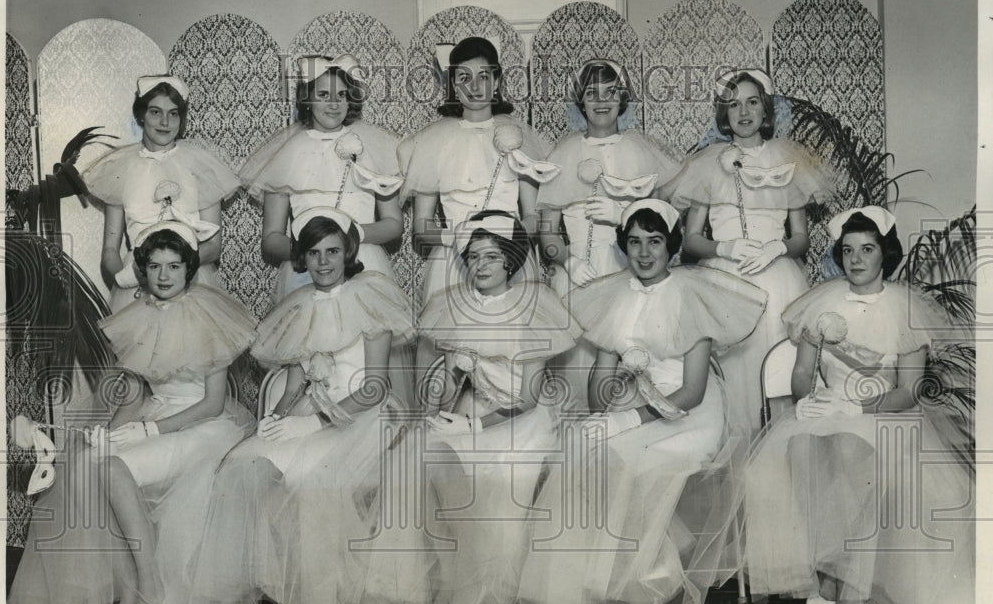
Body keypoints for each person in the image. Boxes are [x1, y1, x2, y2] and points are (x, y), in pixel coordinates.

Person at [517, 199, 766, 604]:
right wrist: (605, 411)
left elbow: (691, 392)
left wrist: (626, 422)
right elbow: (601, 382)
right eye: (634, 242)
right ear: (623, 247)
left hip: (690, 414)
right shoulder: (614, 295)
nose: (645, 253)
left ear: (671, 246)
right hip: (634, 405)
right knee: (583, 451)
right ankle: (603, 578)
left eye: (655, 242)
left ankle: (655, 582)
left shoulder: (693, 296)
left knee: (639, 464)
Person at [176, 208, 428, 604]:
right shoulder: (299, 307)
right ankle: (248, 583)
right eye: (313, 253)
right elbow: (296, 381)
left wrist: (316, 424)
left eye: (332, 251)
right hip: (313, 412)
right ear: (302, 259)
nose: (324, 262)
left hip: (364, 416)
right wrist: (275, 419)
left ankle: (324, 593)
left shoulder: (371, 301)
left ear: (348, 252)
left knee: (314, 473)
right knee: (244, 464)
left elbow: (375, 388)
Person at [7, 221, 256, 604]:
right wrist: (110, 429)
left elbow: (211, 403)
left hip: (206, 426)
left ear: (189, 268)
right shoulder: (137, 316)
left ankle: (151, 590)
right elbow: (135, 389)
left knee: (111, 470)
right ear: (142, 269)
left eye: (174, 266)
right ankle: (131, 592)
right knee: (92, 462)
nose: (163, 276)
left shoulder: (210, 316)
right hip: (156, 417)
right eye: (155, 266)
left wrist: (150, 432)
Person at [744, 207, 974, 604]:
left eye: (867, 249)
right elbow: (801, 373)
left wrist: (857, 407)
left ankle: (844, 581)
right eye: (847, 250)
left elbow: (910, 392)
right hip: (830, 408)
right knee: (800, 448)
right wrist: (808, 399)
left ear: (885, 253)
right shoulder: (823, 304)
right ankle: (831, 570)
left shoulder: (905, 309)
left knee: (850, 451)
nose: (856, 258)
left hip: (885, 415)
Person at [413, 211, 579, 604]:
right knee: (428, 464)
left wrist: (475, 428)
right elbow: (452, 390)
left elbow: (527, 400)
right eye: (473, 257)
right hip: (477, 409)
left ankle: (481, 596)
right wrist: (448, 387)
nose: (480, 266)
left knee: (492, 489)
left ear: (509, 260)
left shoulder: (535, 307)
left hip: (521, 421)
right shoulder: (458, 307)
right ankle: (450, 586)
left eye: (490, 256)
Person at [671, 69, 832, 434]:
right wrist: (726, 246)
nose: (743, 112)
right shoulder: (708, 163)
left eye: (752, 102)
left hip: (778, 280)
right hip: (724, 278)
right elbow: (691, 240)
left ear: (766, 110)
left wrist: (777, 247)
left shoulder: (788, 158)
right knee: (732, 374)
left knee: (775, 370)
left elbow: (801, 238)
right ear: (723, 115)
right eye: (733, 104)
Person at [536, 58, 681, 409]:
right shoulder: (563, 153)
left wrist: (622, 216)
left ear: (624, 98)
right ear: (580, 100)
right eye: (592, 92)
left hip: (626, 270)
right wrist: (567, 261)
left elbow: (665, 226)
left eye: (611, 92)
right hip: (577, 277)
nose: (601, 100)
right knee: (580, 362)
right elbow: (547, 232)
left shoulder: (641, 151)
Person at [398, 36, 556, 306]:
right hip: (454, 262)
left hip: (509, 258)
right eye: (464, 77)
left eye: (483, 77)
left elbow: (532, 216)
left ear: (496, 82)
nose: (474, 86)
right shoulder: (432, 142)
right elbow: (421, 227)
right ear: (453, 85)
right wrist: (458, 237)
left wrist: (507, 239)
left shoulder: (522, 138)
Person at [239, 54, 404, 300]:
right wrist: (309, 250)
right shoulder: (287, 154)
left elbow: (394, 224)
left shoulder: (375, 148)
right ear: (307, 100)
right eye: (324, 95)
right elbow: (271, 239)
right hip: (306, 270)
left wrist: (353, 235)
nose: (334, 104)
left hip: (364, 264)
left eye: (341, 95)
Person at [82, 75, 240, 311]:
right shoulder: (121, 168)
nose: (165, 121)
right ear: (141, 115)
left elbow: (213, 246)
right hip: (138, 282)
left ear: (182, 119)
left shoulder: (200, 166)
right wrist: (132, 277)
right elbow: (110, 251)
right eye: (156, 112)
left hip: (191, 278)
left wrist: (178, 269)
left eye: (173, 113)